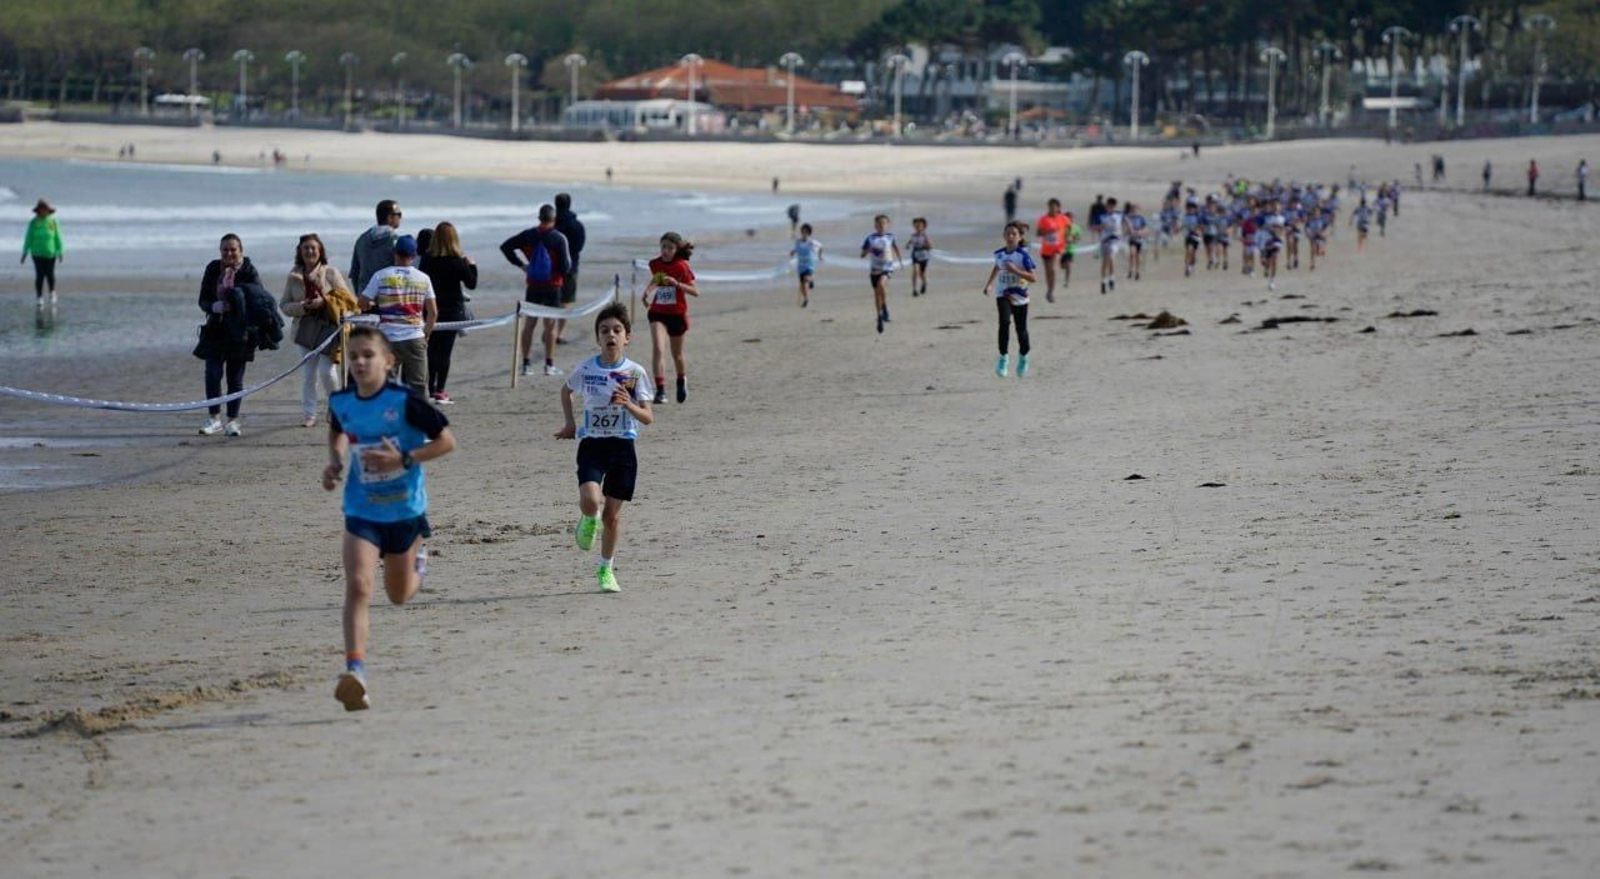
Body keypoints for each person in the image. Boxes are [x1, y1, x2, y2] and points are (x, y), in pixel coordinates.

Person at [321, 325, 456, 711]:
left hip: (404, 511)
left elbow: (447, 441)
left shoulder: (405, 401)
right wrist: (334, 462)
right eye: (354, 356)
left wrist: (404, 458)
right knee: (360, 586)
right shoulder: (342, 401)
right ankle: (355, 672)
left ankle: (419, 563)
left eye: (368, 355)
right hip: (362, 511)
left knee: (398, 595)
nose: (360, 362)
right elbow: (337, 432)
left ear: (388, 361)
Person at [555, 303, 655, 593]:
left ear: (627, 337)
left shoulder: (634, 372)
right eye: (604, 331)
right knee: (590, 499)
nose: (610, 334)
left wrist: (630, 404)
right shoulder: (587, 368)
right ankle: (588, 519)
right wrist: (570, 424)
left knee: (612, 515)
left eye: (616, 330)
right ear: (597, 338)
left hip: (623, 447)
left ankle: (605, 568)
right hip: (593, 444)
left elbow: (648, 417)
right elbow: (566, 390)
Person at [280, 234, 351, 427]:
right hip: (304, 331)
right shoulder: (293, 276)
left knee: (327, 372)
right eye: (305, 248)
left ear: (320, 251)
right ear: (300, 252)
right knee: (308, 374)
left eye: (313, 248)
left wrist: (325, 301)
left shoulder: (332, 273)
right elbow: (284, 305)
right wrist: (302, 306)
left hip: (329, 330)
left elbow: (348, 301)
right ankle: (309, 414)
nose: (310, 251)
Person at [194, 234, 262, 437]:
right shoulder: (213, 268)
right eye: (225, 250)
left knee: (235, 378)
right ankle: (214, 419)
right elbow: (203, 299)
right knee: (213, 374)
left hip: (240, 333)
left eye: (233, 249)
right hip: (215, 329)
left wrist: (237, 305)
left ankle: (233, 421)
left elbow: (260, 299)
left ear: (241, 250)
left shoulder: (249, 271)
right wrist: (214, 306)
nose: (229, 253)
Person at [358, 234, 437, 397]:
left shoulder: (381, 275)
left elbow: (362, 302)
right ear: (414, 255)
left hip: (389, 338)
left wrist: (375, 304)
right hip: (414, 336)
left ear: (394, 252)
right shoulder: (423, 278)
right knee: (419, 385)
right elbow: (433, 312)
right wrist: (426, 334)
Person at [501, 205, 572, 377]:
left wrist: (522, 265)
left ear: (539, 218)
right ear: (553, 219)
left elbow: (505, 247)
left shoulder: (528, 235)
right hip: (553, 286)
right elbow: (565, 267)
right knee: (550, 326)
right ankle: (549, 365)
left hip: (533, 285)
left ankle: (526, 365)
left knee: (529, 325)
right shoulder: (558, 238)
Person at [419, 222, 477, 405]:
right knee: (445, 352)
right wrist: (472, 266)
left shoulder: (427, 259)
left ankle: (430, 388)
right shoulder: (457, 260)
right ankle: (440, 390)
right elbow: (471, 284)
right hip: (452, 310)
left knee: (432, 350)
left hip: (432, 309)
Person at [644, 232, 699, 404]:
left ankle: (681, 380)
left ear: (676, 250)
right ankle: (660, 390)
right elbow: (658, 279)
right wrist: (648, 291)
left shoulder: (682, 266)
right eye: (663, 247)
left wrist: (677, 284)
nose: (665, 251)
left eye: (670, 248)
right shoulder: (655, 263)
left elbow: (695, 291)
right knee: (658, 348)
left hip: (677, 314)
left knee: (677, 355)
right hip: (658, 312)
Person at [982, 221, 1037, 378]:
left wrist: (1016, 270)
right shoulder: (999, 254)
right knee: (1004, 323)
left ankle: (1023, 357)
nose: (1010, 236)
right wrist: (990, 284)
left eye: (1014, 234)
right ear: (1004, 236)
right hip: (1003, 294)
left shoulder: (1023, 256)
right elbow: (997, 266)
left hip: (1020, 296)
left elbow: (1033, 277)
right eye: (1008, 233)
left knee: (1021, 331)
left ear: (1019, 237)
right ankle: (1003, 358)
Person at [553, 193, 587, 344]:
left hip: (551, 268)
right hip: (570, 267)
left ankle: (550, 330)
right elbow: (579, 247)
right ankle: (558, 333)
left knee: (551, 301)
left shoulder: (552, 224)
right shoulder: (577, 225)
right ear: (569, 204)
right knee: (565, 301)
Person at [860, 214, 901, 334]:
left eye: (884, 223)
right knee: (877, 295)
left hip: (887, 268)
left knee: (881, 285)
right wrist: (869, 250)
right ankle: (879, 317)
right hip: (874, 270)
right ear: (875, 225)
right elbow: (862, 255)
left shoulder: (890, 237)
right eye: (879, 223)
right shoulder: (870, 238)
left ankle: (884, 308)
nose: (881, 225)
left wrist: (900, 260)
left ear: (887, 225)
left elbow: (895, 247)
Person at [350, 199, 402, 293]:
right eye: (399, 214)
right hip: (389, 296)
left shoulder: (362, 239)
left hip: (365, 296)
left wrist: (360, 295)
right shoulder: (396, 241)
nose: (400, 217)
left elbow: (354, 273)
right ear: (390, 217)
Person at [20, 199, 63, 304]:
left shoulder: (53, 222)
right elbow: (28, 238)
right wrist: (24, 253)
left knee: (50, 274)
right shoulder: (34, 223)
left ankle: (52, 292)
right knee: (39, 275)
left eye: (46, 209)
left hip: (50, 252)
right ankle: (39, 297)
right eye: (42, 209)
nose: (44, 211)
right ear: (38, 210)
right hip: (37, 253)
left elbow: (58, 237)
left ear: (48, 210)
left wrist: (60, 251)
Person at [1036, 199, 1067, 302]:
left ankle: (1051, 291)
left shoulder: (1063, 218)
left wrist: (1069, 238)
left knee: (1053, 269)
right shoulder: (1043, 219)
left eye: (1054, 207)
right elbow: (1039, 233)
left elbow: (1070, 229)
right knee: (1048, 270)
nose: (1052, 209)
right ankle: (1049, 289)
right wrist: (1048, 231)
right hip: (1046, 249)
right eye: (1050, 207)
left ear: (1058, 207)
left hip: (1058, 248)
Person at [1094, 197, 1125, 294]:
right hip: (1105, 240)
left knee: (1111, 257)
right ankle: (1103, 281)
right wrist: (1101, 227)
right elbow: (1096, 228)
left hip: (1115, 239)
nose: (1110, 208)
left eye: (1112, 206)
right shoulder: (1102, 216)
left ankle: (1111, 278)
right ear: (1106, 206)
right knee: (1105, 261)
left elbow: (1125, 223)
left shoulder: (1119, 215)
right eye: (1108, 206)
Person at [791, 223, 821, 308]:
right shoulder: (798, 241)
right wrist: (793, 252)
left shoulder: (812, 242)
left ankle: (811, 281)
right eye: (802, 231)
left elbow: (821, 247)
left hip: (809, 263)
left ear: (808, 233)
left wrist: (820, 256)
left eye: (805, 232)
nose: (803, 233)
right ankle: (806, 300)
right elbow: (796, 249)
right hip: (800, 265)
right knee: (802, 285)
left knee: (806, 278)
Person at [907, 217, 932, 297]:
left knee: (922, 274)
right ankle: (914, 289)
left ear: (924, 227)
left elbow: (930, 246)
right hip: (915, 255)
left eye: (919, 226)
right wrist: (907, 245)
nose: (917, 227)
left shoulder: (925, 236)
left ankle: (924, 283)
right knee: (915, 271)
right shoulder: (913, 235)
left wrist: (924, 246)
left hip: (924, 256)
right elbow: (910, 241)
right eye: (916, 226)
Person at [1124, 203, 1149, 281]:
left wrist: (1140, 232)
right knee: (1132, 253)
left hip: (1139, 239)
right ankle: (1130, 270)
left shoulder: (1141, 218)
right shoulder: (1129, 218)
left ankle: (1137, 272)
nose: (1134, 211)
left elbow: (1146, 229)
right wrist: (1129, 232)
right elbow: (1126, 230)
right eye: (1133, 210)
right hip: (1132, 239)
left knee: (1137, 256)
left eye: (1135, 210)